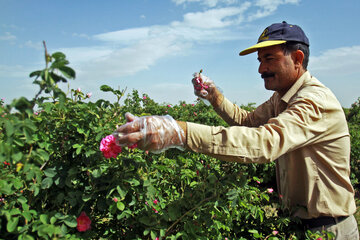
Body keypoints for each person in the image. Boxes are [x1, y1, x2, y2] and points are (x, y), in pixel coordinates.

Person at [115, 21, 359, 238]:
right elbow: (248, 122)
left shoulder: (313, 100)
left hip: (329, 230)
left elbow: (264, 142)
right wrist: (214, 96)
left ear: (297, 58)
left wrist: (180, 132)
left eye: (269, 59)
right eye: (260, 61)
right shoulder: (281, 98)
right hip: (298, 226)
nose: (261, 69)